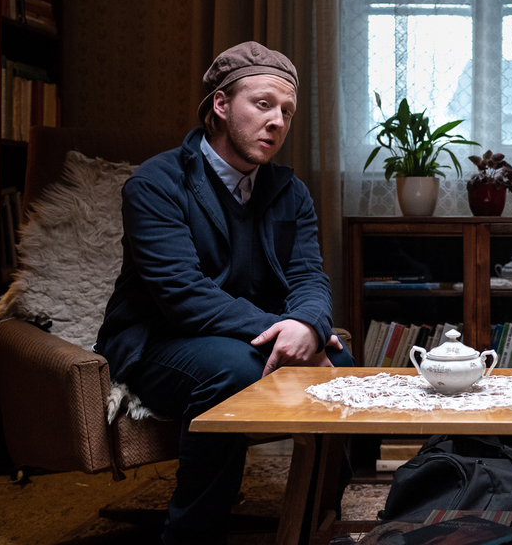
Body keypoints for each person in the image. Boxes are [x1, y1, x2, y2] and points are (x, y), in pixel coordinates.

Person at [95, 41, 353, 545]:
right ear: (220, 104)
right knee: (235, 370)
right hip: (161, 341)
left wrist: (308, 324)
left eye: (286, 111)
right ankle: (193, 533)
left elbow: (309, 278)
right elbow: (181, 294)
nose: (277, 121)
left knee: (340, 366)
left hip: (243, 338)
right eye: (263, 104)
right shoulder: (156, 183)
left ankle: (315, 524)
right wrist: (283, 330)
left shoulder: (290, 191)